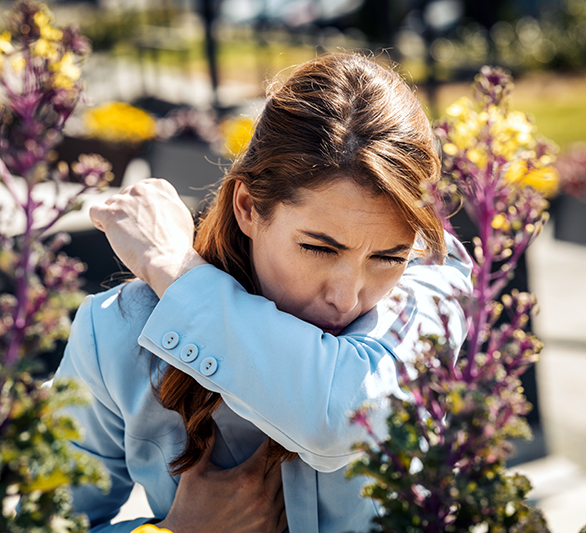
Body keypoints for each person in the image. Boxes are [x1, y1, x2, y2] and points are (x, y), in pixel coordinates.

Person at [56, 52, 472, 533]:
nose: (347, 295)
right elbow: (45, 521)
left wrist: (174, 270)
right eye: (318, 248)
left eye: (388, 257)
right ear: (249, 207)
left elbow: (341, 419)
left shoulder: (433, 291)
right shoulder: (117, 332)